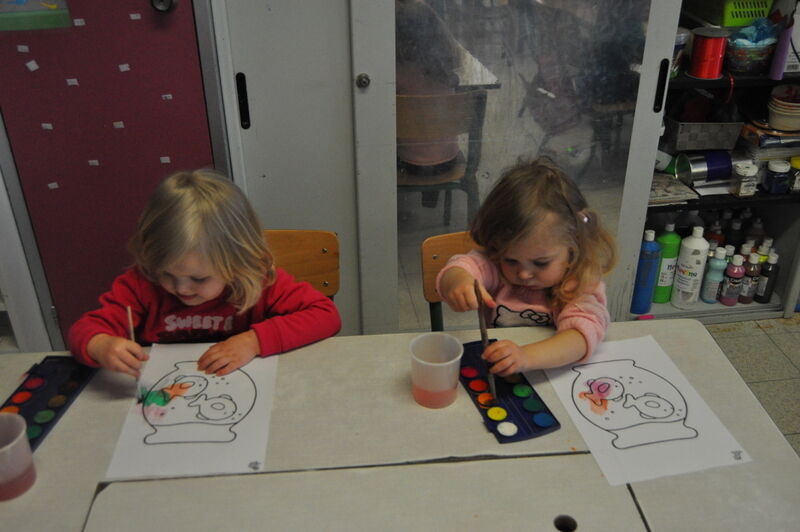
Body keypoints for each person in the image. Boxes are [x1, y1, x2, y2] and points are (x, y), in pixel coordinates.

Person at [68, 169, 341, 378]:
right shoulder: (142, 284)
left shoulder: (258, 282)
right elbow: (83, 330)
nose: (181, 288)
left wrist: (254, 341)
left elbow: (325, 315)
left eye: (198, 279)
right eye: (167, 274)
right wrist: (100, 345)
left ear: (237, 264)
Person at [436, 157, 616, 373]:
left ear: (574, 246)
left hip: (552, 375)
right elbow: (462, 267)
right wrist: (458, 282)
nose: (523, 274)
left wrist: (526, 357)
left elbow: (581, 337)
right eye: (511, 260)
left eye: (541, 263)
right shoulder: (496, 264)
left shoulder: (578, 283)